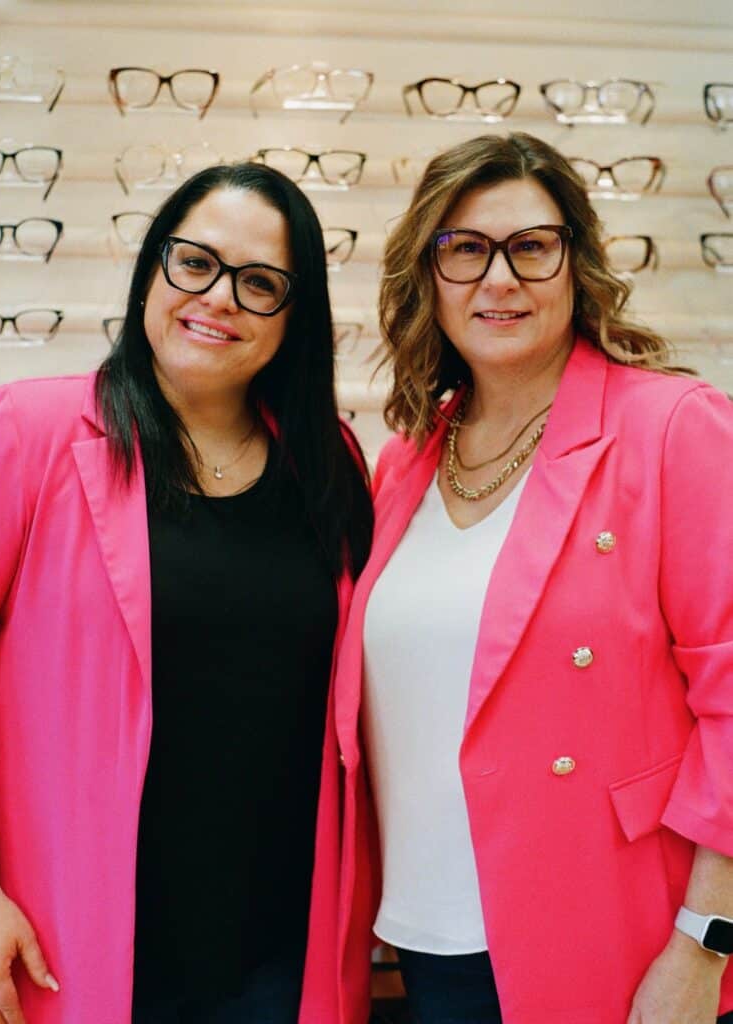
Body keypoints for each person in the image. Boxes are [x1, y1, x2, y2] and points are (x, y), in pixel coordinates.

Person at [302, 132, 733, 1024]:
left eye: (531, 246)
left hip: (620, 937)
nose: (499, 279)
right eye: (465, 249)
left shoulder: (674, 429)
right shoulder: (407, 462)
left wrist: (705, 945)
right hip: (427, 939)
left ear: (576, 264)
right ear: (428, 275)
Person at [0, 162, 373, 1024]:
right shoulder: (28, 432)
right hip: (72, 934)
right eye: (195, 263)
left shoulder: (328, 461)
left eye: (260, 283)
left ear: (296, 315)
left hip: (278, 946)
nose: (219, 297)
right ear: (154, 267)